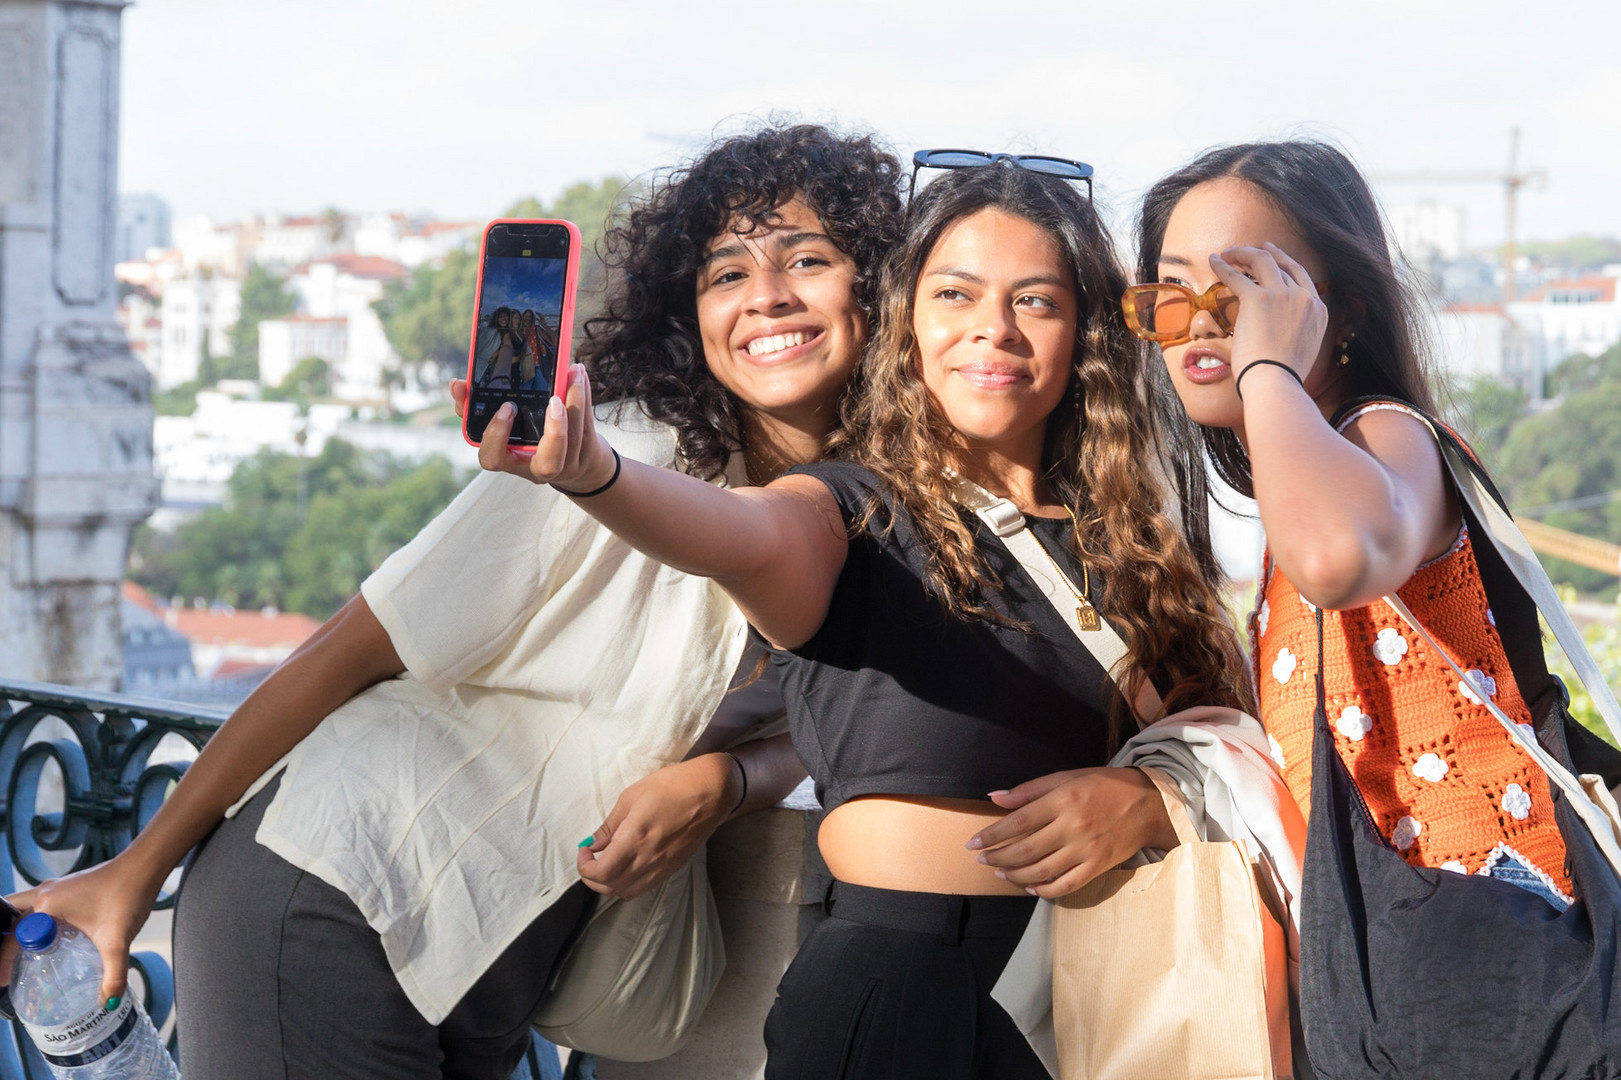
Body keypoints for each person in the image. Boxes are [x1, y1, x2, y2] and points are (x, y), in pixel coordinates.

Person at [4, 122, 905, 1080]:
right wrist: (139, 874)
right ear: (690, 309)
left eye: (807, 258)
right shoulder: (615, 452)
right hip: (331, 895)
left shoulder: (882, 513)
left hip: (490, 962)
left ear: (879, 287)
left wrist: (731, 781)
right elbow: (342, 652)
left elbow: (865, 705)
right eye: (727, 273)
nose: (766, 294)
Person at [476, 158, 1249, 1078]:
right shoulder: (852, 511)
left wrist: (1145, 801)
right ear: (907, 325)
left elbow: (1232, 748)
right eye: (955, 294)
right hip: (900, 986)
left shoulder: (1135, 541)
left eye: (1034, 301)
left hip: (1103, 984)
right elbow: (735, 532)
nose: (990, 331)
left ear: (1082, 333)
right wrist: (593, 473)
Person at [1128, 140, 1577, 906]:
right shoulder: (1302, 485)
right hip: (1387, 947)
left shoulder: (1383, 434)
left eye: (1245, 290)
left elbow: (1337, 559)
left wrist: (1265, 367)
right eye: (1169, 295)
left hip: (1484, 924)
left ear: (1341, 313)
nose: (1200, 323)